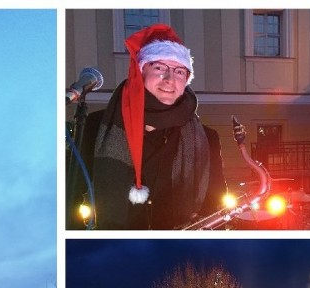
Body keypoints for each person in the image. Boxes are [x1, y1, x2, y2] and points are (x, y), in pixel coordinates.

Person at [69, 23, 227, 230]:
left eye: (180, 72)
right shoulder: (96, 127)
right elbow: (69, 199)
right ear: (140, 71)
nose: (170, 79)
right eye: (160, 68)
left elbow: (215, 207)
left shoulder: (207, 138)